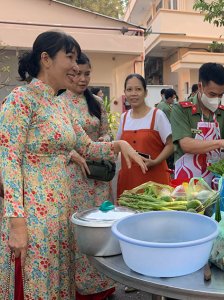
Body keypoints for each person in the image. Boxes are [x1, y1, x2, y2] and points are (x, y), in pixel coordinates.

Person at [0, 30, 146, 299]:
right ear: (46, 59)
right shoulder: (21, 100)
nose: (76, 66)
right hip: (33, 217)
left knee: (59, 284)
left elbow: (87, 146)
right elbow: (8, 160)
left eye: (77, 59)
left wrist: (119, 144)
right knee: (37, 286)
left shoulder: (59, 106)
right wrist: (16, 223)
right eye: (70, 57)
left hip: (61, 210)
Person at [58, 52, 116, 299]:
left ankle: (103, 284)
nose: (82, 79)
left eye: (86, 74)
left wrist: (104, 141)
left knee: (100, 227)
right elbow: (56, 143)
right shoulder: (57, 103)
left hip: (98, 177)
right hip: (73, 177)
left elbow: (108, 133)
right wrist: (73, 153)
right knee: (78, 230)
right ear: (67, 73)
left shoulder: (96, 102)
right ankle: (78, 288)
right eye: (76, 73)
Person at [171, 63, 224, 185]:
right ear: (200, 87)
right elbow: (186, 144)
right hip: (187, 182)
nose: (216, 99)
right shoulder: (181, 110)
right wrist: (219, 143)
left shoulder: (222, 112)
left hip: (215, 181)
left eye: (220, 95)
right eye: (212, 94)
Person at [116, 74, 174, 197]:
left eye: (138, 89)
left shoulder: (157, 115)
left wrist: (155, 161)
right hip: (129, 183)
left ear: (145, 92)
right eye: (129, 89)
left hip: (155, 181)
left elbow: (171, 144)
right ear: (125, 93)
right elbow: (117, 146)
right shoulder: (124, 118)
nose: (133, 93)